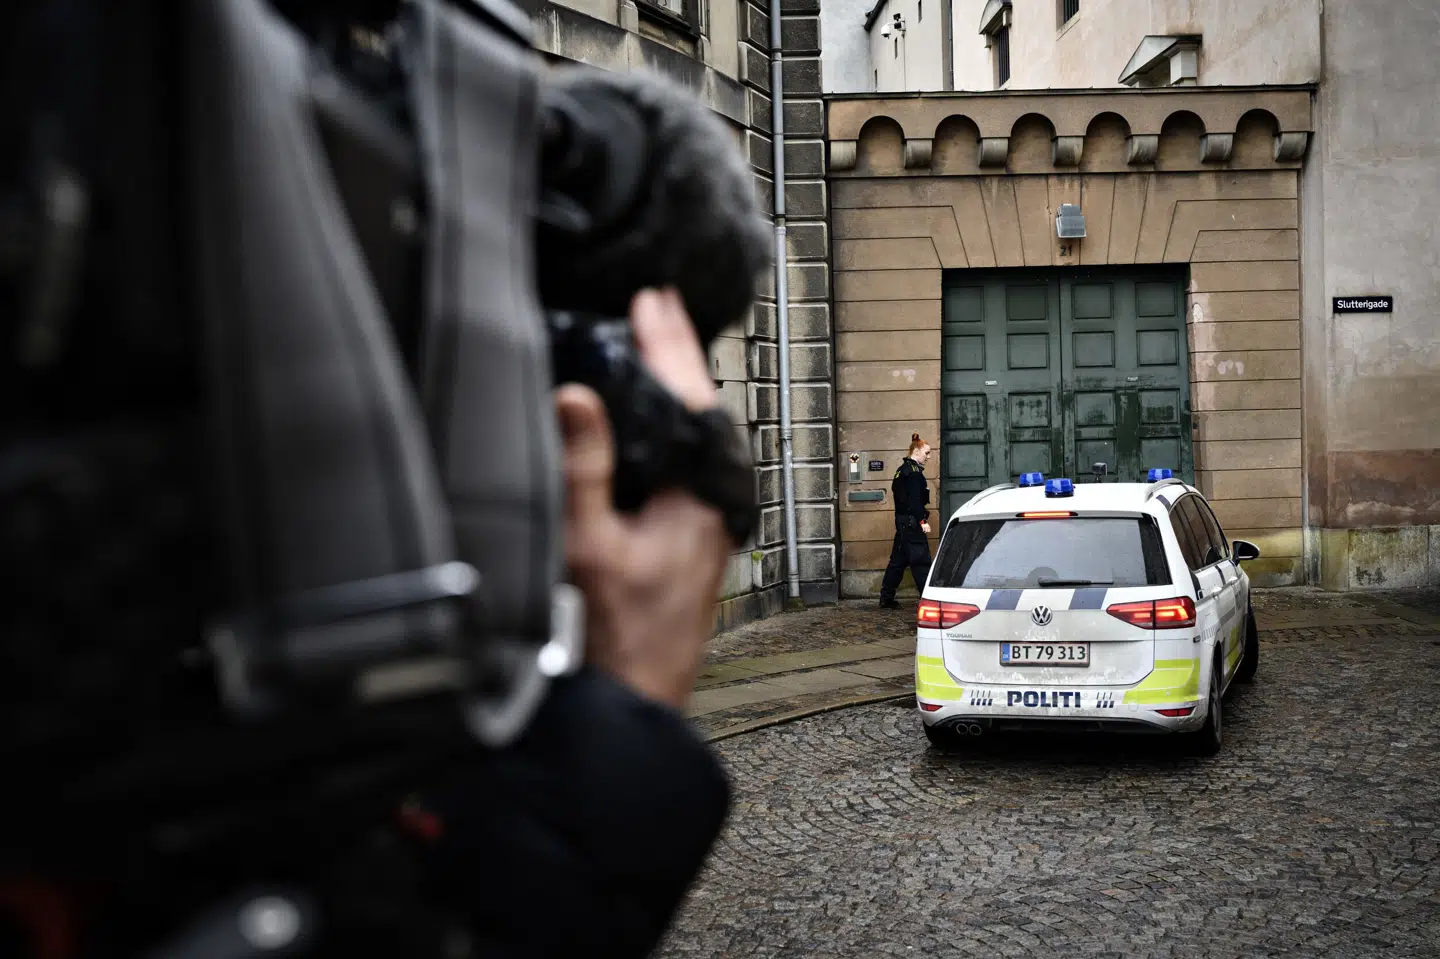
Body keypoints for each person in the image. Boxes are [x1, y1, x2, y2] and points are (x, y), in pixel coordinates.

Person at [878, 432, 934, 610]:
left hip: (902, 523)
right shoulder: (914, 473)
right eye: (927, 453)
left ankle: (886, 597)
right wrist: (922, 521)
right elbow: (915, 501)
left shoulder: (901, 471)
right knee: (921, 561)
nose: (929, 456)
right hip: (911, 524)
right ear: (916, 451)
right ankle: (929, 599)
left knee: (898, 561)